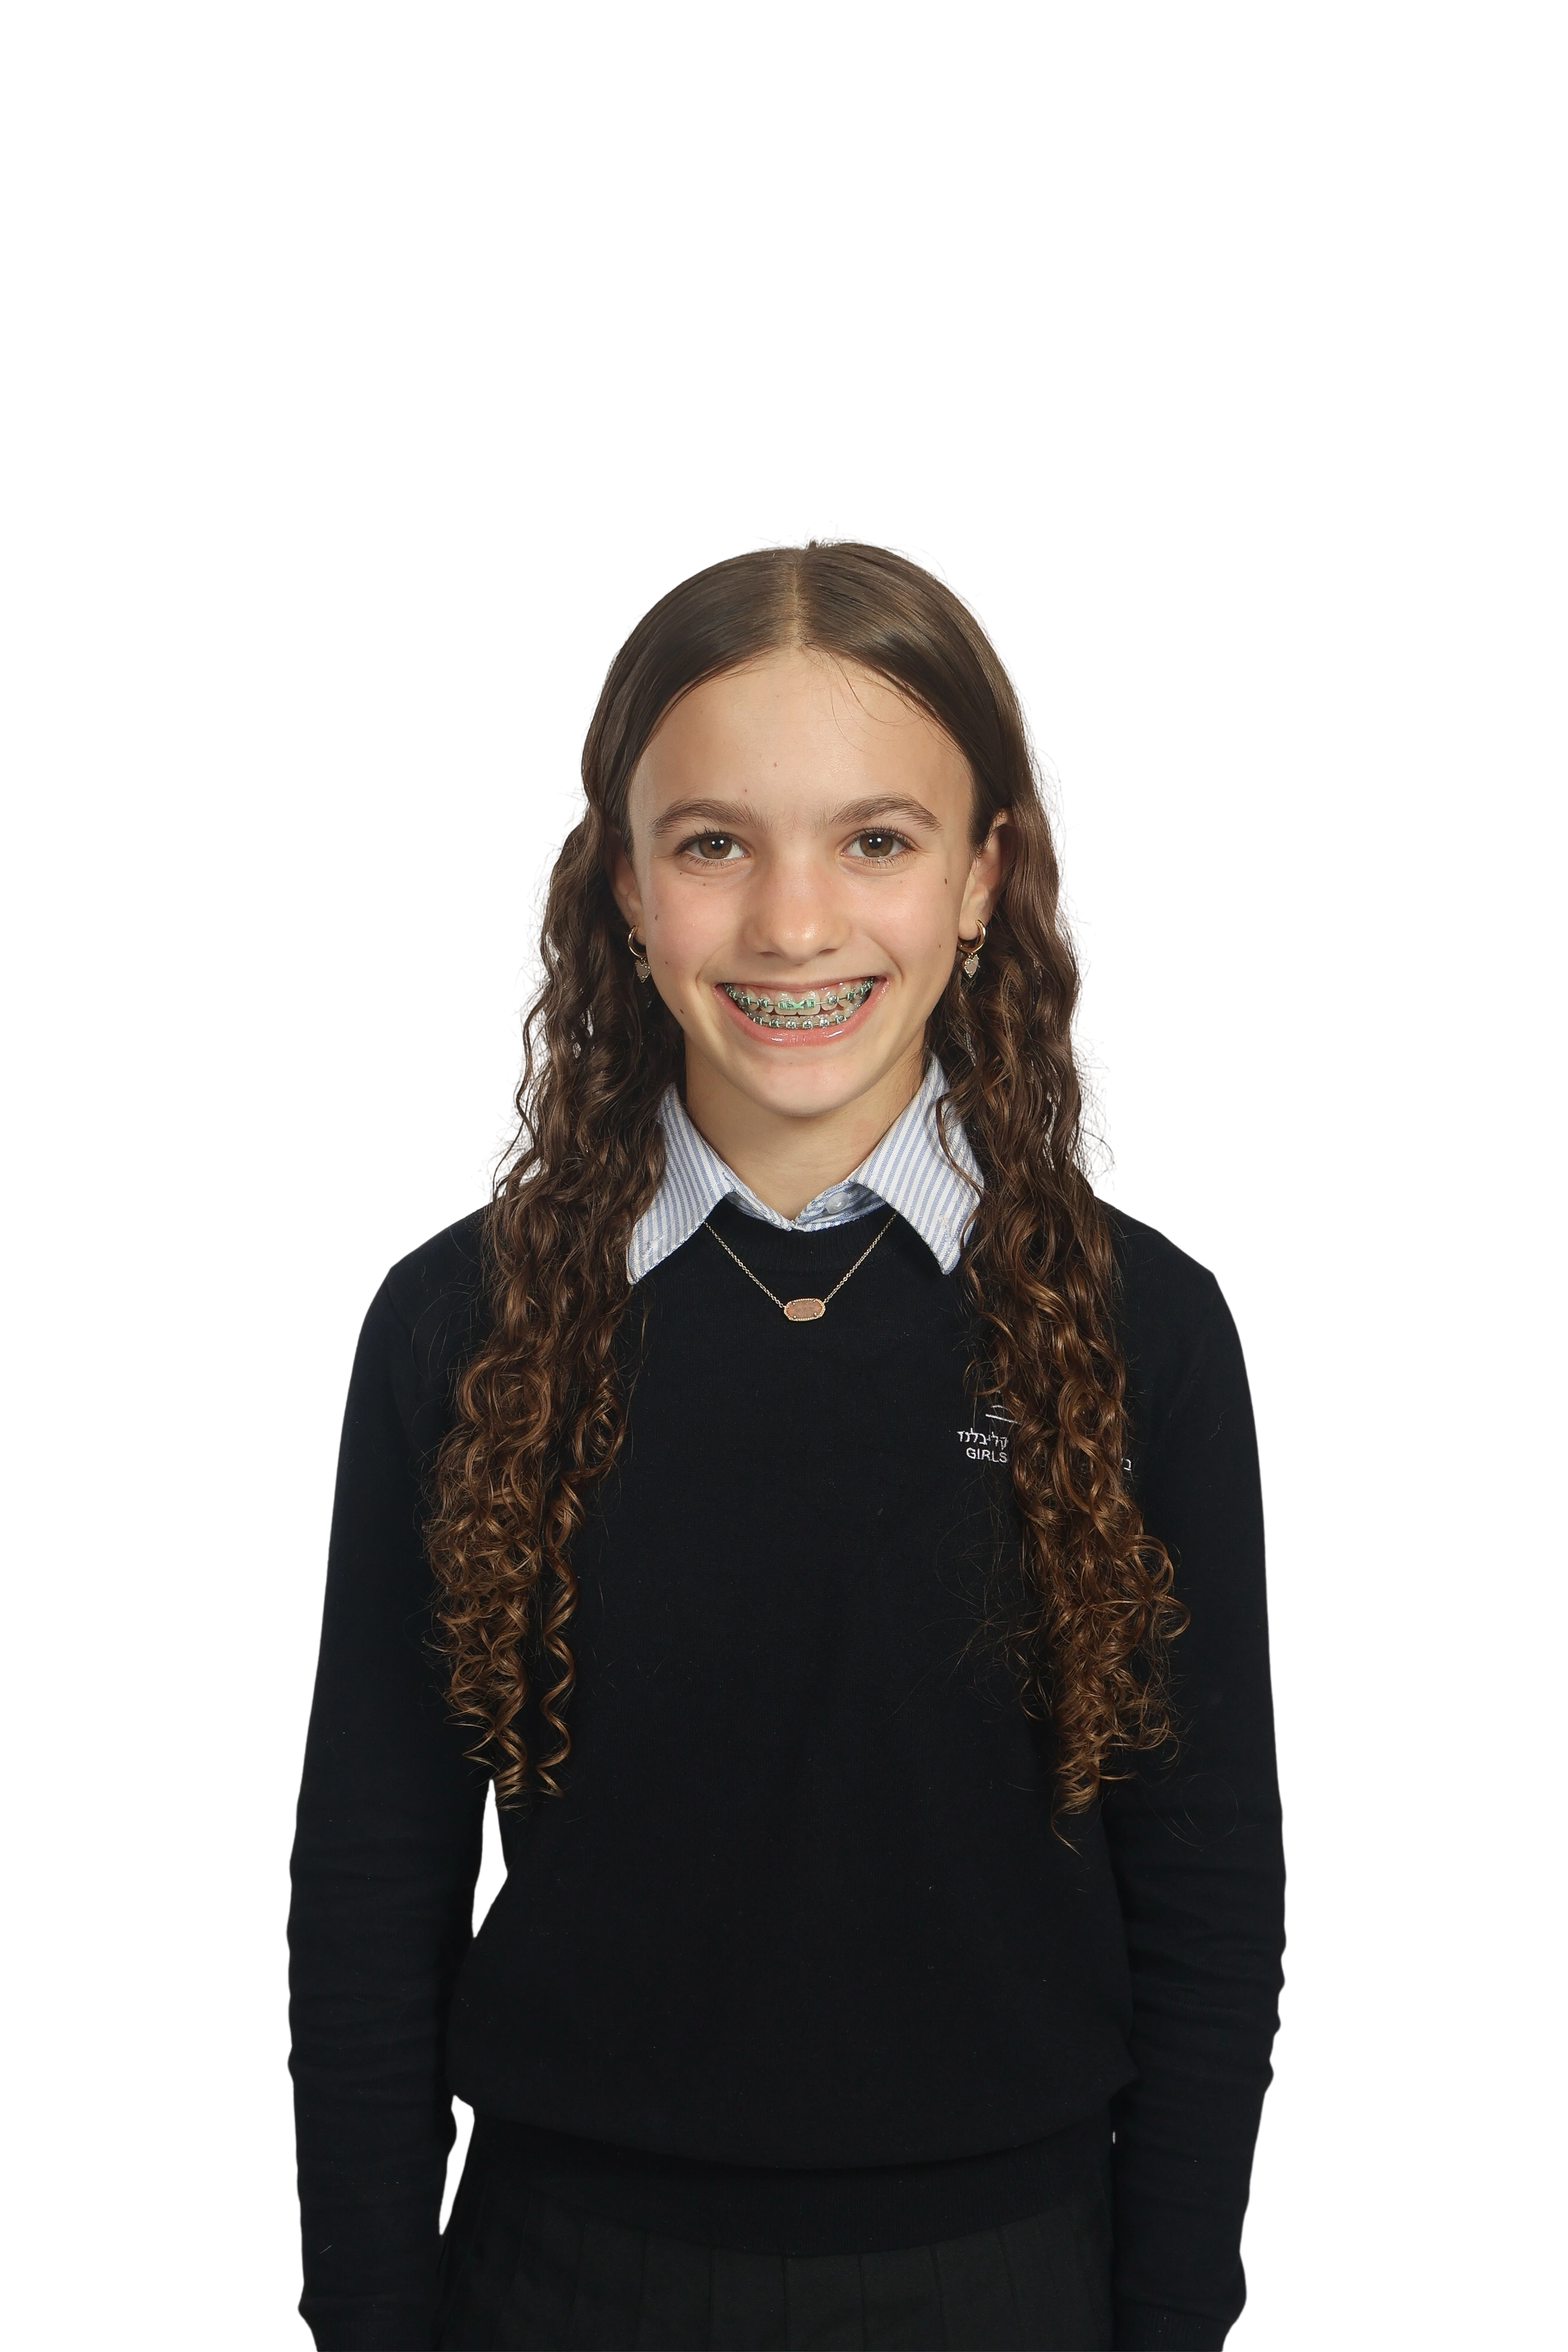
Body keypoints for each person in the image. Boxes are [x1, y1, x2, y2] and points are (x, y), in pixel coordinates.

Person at [286, 525, 1286, 2352]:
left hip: (1015, 2279)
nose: (794, 925)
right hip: (564, 2279)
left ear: (985, 876)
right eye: (714, 844)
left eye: (877, 841)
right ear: (622, 885)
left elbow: (1209, 1893)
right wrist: (367, 2316)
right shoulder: (454, 1326)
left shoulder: (1143, 1331)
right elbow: (372, 1881)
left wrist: (1168, 2315)